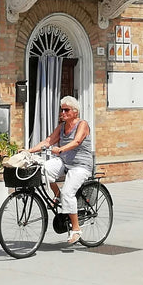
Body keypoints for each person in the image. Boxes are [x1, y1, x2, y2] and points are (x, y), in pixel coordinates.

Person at [25, 96, 94, 244]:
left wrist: (61, 149)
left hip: (81, 165)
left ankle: (76, 229)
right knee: (43, 169)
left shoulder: (83, 124)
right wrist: (28, 151)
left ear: (75, 112)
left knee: (68, 192)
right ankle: (58, 195)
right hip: (65, 161)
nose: (62, 112)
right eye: (61, 109)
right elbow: (48, 141)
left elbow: (76, 141)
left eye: (66, 110)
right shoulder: (62, 126)